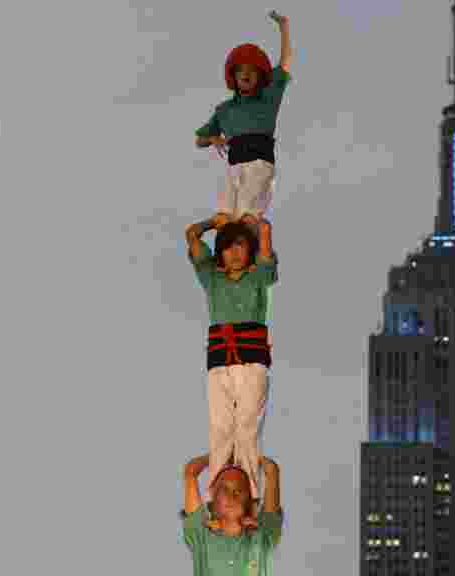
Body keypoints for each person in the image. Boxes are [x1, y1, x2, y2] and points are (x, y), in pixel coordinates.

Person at [186, 213, 277, 511]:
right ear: (221, 252)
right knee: (220, 429)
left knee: (247, 429)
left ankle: (249, 499)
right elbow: (192, 236)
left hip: (252, 362)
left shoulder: (258, 276)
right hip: (220, 363)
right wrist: (214, 222)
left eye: (241, 246)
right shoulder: (212, 278)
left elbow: (264, 231)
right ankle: (217, 502)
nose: (235, 252)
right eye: (229, 247)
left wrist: (251, 226)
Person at [195, 11, 293, 225]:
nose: (246, 75)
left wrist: (283, 26)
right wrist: (213, 139)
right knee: (224, 218)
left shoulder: (268, 97)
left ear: (260, 75)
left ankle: (257, 246)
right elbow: (199, 140)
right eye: (241, 71)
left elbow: (285, 62)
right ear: (234, 76)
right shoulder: (224, 109)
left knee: (247, 218)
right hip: (234, 166)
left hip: (259, 162)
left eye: (251, 71)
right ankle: (221, 254)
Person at [181, 454, 283, 576]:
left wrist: (247, 450)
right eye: (224, 489)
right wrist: (218, 454)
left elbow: (272, 471)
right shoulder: (200, 535)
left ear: (250, 502)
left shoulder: (263, 535)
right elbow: (190, 473)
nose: (232, 495)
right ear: (213, 502)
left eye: (240, 490)